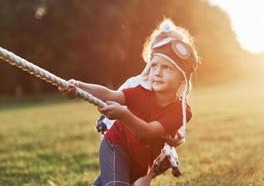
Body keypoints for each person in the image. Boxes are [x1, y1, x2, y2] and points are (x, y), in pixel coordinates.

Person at [59, 18, 200, 186]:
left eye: (166, 67)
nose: (157, 72)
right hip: (116, 145)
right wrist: (80, 87)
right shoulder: (140, 90)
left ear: (183, 79)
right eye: (154, 66)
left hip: (140, 162)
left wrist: (124, 114)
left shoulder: (180, 111)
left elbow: (148, 131)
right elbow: (110, 95)